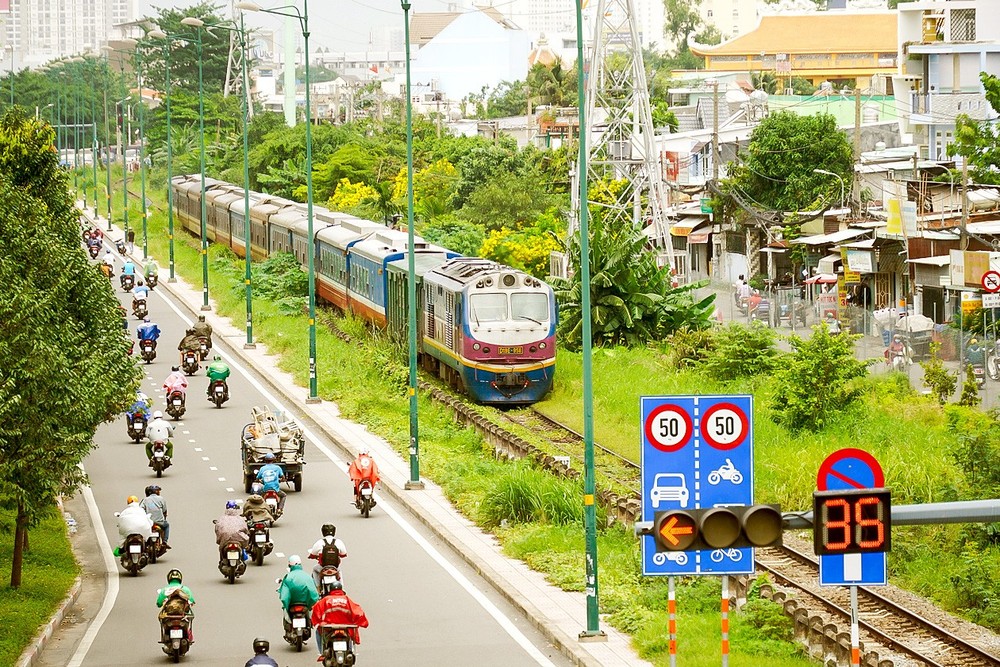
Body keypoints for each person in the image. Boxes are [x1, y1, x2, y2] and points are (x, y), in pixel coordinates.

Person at [310, 581, 369, 654]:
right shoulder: (347, 600)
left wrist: (314, 622)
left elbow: (316, 611)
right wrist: (363, 623)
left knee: (318, 632)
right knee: (350, 635)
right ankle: (350, 651)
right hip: (345, 627)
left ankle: (322, 653)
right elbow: (358, 612)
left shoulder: (325, 600)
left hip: (329, 628)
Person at [278, 555, 320, 639]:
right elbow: (314, 594)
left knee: (285, 614)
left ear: (290, 565)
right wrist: (310, 605)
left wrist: (286, 606)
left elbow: (284, 597)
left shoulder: (288, 578)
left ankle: (289, 627)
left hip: (292, 605)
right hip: (304, 605)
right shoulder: (307, 577)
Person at [156, 569, 195, 641]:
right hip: (183, 616)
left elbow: (159, 604)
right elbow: (192, 601)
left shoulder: (164, 590)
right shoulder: (185, 589)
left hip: (169, 617)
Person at [307, 524, 348, 589]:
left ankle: (318, 587)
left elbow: (312, 554)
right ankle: (342, 588)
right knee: (339, 571)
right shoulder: (338, 542)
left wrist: (312, 556)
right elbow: (344, 554)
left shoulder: (319, 542)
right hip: (335, 568)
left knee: (314, 569)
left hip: (322, 568)